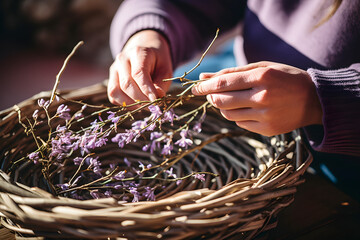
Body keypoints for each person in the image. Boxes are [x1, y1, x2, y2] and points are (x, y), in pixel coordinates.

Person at [108, 0, 360, 198]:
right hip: (246, 81)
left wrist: (320, 100)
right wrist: (148, 32)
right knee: (173, 81)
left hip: (344, 152)